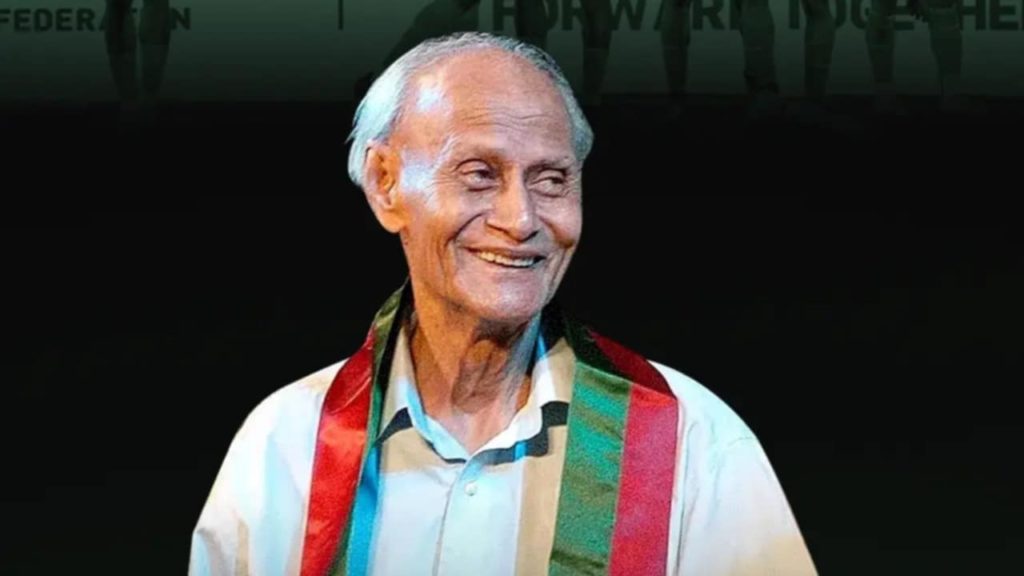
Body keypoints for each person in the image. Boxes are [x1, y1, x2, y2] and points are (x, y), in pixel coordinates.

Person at [189, 31, 818, 576]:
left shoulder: (688, 441)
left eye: (551, 179)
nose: (521, 220)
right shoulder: (286, 446)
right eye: (479, 174)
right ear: (386, 185)